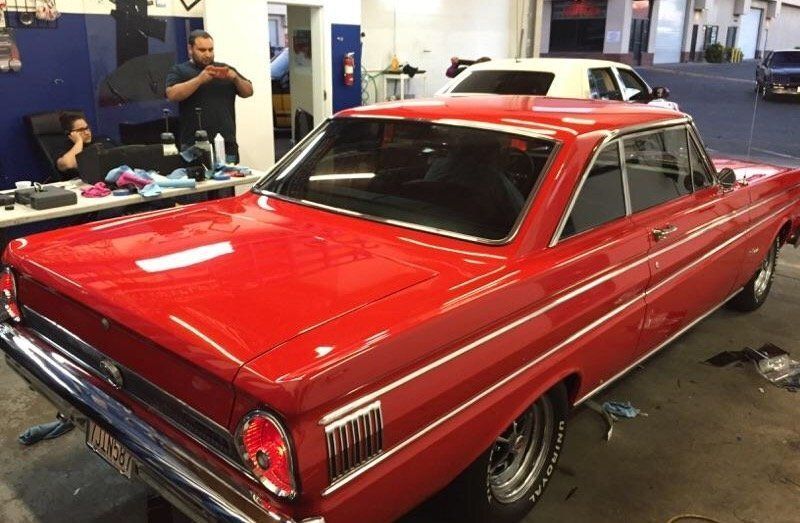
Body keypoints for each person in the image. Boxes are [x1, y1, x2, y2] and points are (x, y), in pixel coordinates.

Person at [166, 30, 254, 163]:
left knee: (228, 182)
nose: (207, 54)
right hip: (193, 144)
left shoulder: (226, 69)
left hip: (227, 143)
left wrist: (235, 78)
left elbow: (248, 91)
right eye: (202, 50)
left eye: (210, 49)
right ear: (190, 49)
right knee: (200, 183)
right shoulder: (180, 70)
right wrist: (199, 80)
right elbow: (172, 94)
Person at [55, 112, 115, 181]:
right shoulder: (63, 148)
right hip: (82, 184)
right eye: (81, 130)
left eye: (87, 128)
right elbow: (68, 165)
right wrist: (79, 142)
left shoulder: (102, 139)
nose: (87, 132)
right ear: (70, 133)